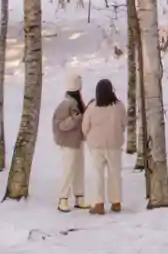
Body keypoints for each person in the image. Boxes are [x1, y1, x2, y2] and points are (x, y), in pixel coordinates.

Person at [83, 78, 127, 214]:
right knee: (115, 173)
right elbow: (124, 123)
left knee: (98, 175)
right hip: (114, 144)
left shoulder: (92, 107)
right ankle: (116, 202)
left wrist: (89, 137)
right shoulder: (119, 106)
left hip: (96, 146)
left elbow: (85, 127)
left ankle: (99, 203)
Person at [51, 73, 86, 212]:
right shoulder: (65, 105)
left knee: (79, 170)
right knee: (68, 171)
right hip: (68, 143)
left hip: (78, 142)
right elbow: (61, 125)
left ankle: (80, 197)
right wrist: (75, 119)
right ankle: (62, 199)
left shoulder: (77, 103)